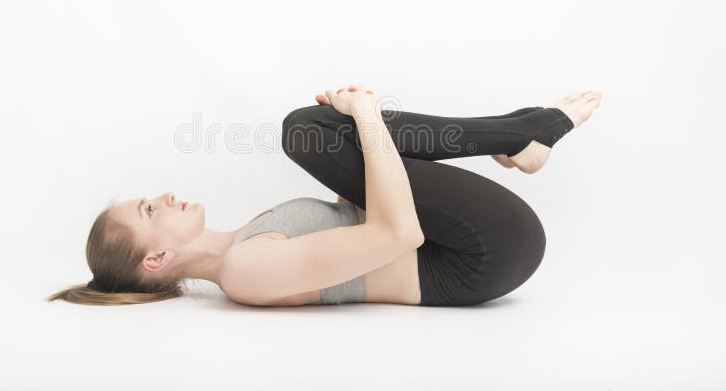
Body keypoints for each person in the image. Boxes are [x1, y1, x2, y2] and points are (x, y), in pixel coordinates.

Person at [47, 85, 601, 307]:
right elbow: (398, 233)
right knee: (309, 129)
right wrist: (363, 114)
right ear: (157, 258)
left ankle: (520, 134)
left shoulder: (249, 239)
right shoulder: (245, 272)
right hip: (482, 256)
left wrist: (362, 124)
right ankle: (521, 133)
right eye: (150, 210)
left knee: (311, 130)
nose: (164, 195)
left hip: (464, 244)